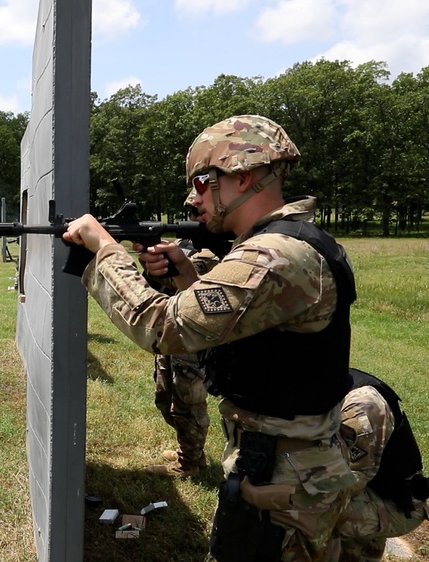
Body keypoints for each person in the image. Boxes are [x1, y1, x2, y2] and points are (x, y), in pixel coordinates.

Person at [62, 115, 358, 561]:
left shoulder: (273, 256)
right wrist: (186, 274)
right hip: (287, 465)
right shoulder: (287, 243)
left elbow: (162, 326)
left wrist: (104, 249)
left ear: (241, 176)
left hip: (287, 481)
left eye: (201, 182)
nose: (192, 197)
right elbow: (234, 321)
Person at [141, 191, 220, 478]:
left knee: (189, 402)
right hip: (171, 333)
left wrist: (153, 256)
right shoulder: (185, 243)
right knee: (165, 398)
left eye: (200, 211)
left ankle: (189, 463)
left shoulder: (212, 249)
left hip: (192, 338)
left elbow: (190, 274)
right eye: (192, 212)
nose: (196, 216)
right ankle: (189, 449)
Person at [337, 368, 429, 562]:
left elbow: (348, 483)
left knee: (305, 511)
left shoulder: (362, 405)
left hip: (396, 504)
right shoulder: (323, 386)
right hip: (369, 487)